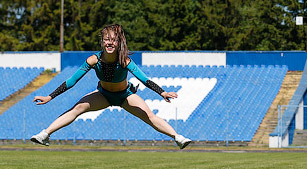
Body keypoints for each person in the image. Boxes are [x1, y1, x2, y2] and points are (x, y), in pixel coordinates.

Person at [30, 24, 192, 149]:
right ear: (102, 42)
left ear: (118, 42)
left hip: (125, 95)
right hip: (103, 95)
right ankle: (45, 134)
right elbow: (72, 81)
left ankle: (177, 137)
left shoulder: (125, 61)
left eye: (113, 40)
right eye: (107, 39)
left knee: (148, 116)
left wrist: (162, 92)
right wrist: (49, 97)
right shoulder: (93, 60)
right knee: (77, 108)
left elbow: (144, 79)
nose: (110, 43)